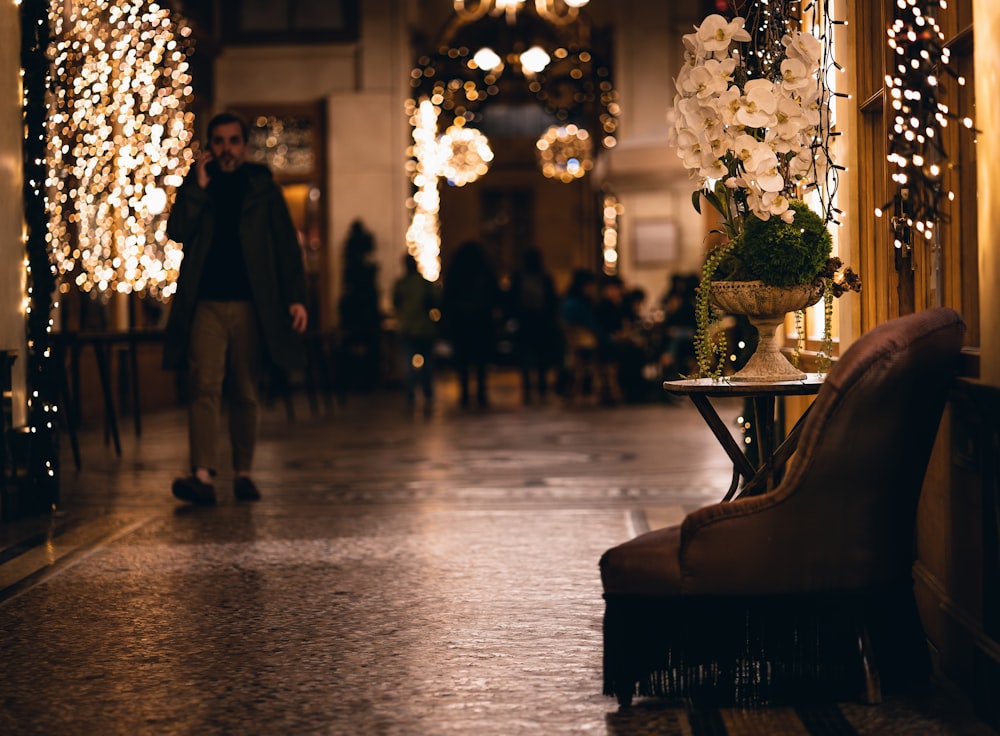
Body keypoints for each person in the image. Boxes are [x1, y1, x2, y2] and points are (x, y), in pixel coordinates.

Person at [163, 111, 308, 505]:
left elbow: (285, 247)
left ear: (243, 146)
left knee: (245, 390)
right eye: (219, 142)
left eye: (232, 141)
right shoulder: (198, 186)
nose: (226, 149)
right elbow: (176, 231)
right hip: (205, 303)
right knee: (203, 386)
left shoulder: (262, 189)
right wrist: (198, 186)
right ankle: (202, 475)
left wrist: (295, 297)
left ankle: (243, 472)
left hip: (251, 304)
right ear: (210, 147)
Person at [441, 240, 500, 408]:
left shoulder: (456, 273)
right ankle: (481, 393)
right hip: (481, 322)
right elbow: (495, 296)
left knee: (463, 361)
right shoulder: (485, 272)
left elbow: (447, 299)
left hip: (462, 323)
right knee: (481, 361)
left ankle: (465, 394)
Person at [509, 247, 559, 404]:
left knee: (527, 355)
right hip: (539, 321)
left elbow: (512, 299)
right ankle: (540, 385)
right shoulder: (544, 277)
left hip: (527, 321)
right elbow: (552, 301)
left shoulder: (520, 277)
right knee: (539, 355)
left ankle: (529, 386)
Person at [392, 252, 441, 412]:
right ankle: (427, 394)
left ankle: (411, 396)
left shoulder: (401, 284)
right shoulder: (423, 284)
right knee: (426, 364)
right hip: (423, 328)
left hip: (408, 327)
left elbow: (396, 304)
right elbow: (434, 302)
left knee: (409, 364)